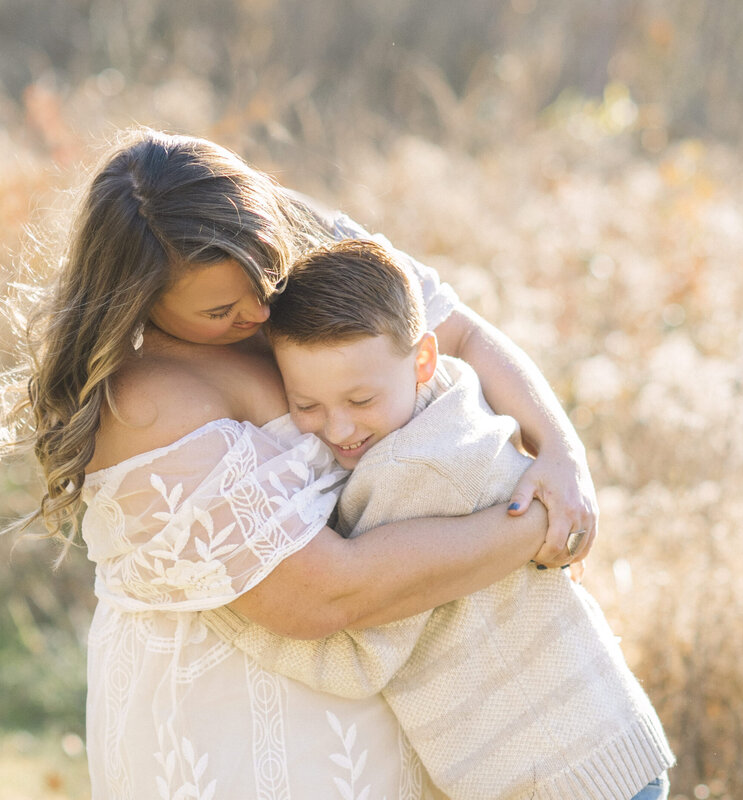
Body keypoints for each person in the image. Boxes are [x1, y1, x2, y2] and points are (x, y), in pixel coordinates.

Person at [0, 128, 601, 799]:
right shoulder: (145, 404)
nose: (260, 312)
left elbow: (456, 333)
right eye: (220, 310)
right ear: (140, 301)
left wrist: (562, 455)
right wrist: (535, 525)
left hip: (386, 717)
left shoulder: (300, 240)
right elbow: (321, 593)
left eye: (265, 278)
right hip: (228, 739)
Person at [204, 239, 674, 800]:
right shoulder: (455, 408)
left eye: (359, 400)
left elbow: (358, 657)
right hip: (603, 742)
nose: (338, 429)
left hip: (553, 776)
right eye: (308, 406)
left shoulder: (410, 475)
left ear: (422, 358)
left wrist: (225, 601)